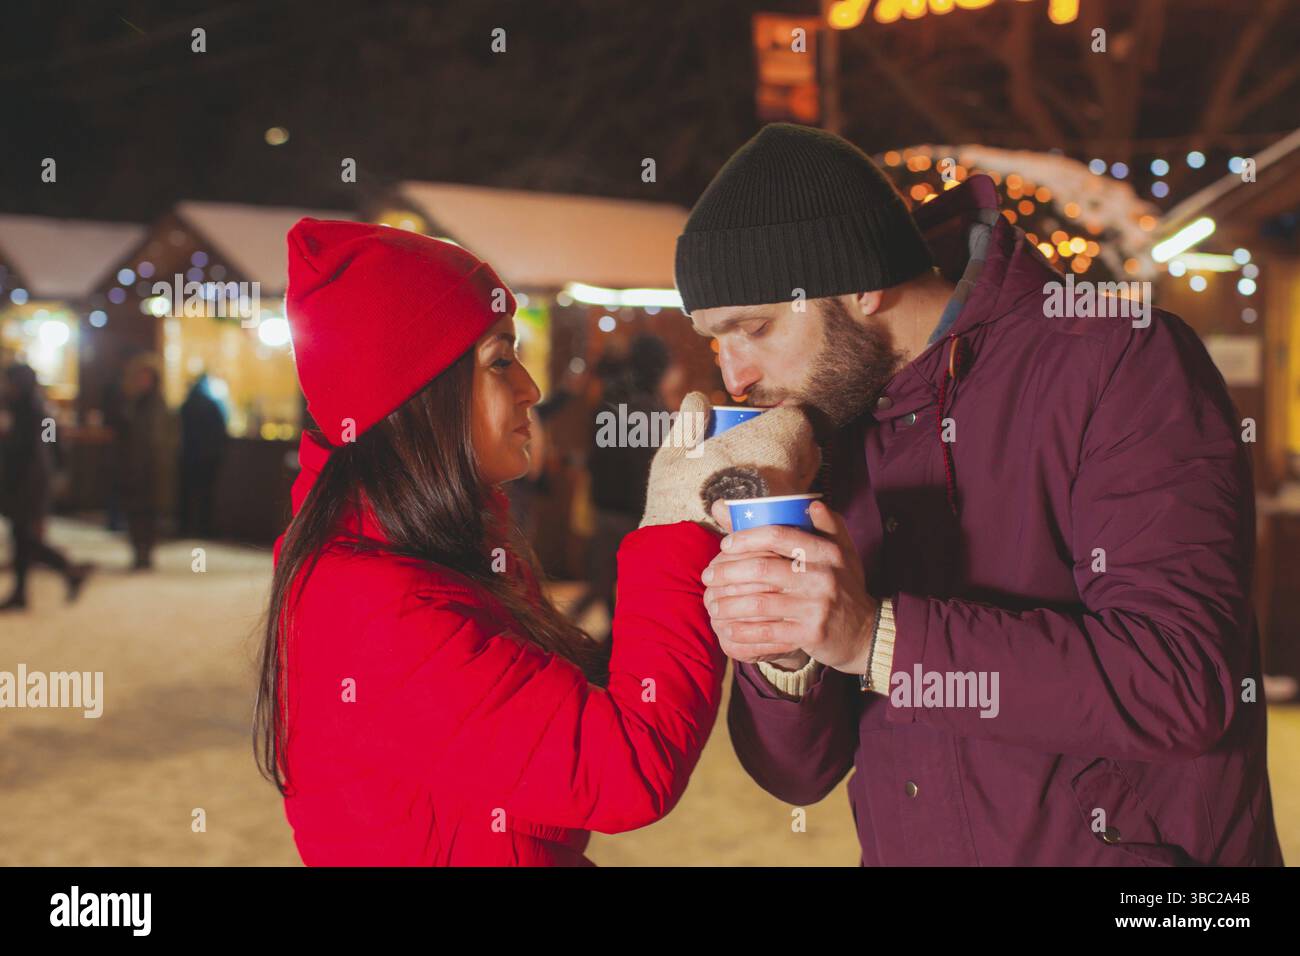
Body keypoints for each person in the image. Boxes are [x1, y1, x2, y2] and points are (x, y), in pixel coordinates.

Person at [678, 123, 1283, 866]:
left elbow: (1180, 684)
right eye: (716, 341)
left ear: (861, 281)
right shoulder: (829, 428)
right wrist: (782, 650)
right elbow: (799, 777)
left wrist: (875, 638)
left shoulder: (1118, 360)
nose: (734, 376)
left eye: (755, 329)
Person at [255, 219, 819, 866]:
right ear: (418, 396)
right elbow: (623, 768)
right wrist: (675, 524)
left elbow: (555, 728)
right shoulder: (376, 605)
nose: (531, 388)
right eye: (500, 360)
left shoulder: (419, 556)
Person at [569, 334, 673, 640]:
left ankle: (604, 634)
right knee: (631, 580)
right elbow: (655, 466)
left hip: (607, 504)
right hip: (635, 510)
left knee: (606, 576)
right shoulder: (652, 408)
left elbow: (597, 454)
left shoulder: (612, 401)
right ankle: (615, 637)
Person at [0, 363, 93, 611]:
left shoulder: (33, 411)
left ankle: (68, 569)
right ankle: (22, 592)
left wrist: (55, 473)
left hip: (29, 482)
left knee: (25, 537)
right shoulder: (26, 409)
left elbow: (48, 445)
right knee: (21, 538)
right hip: (24, 480)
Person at [115, 355, 177, 570]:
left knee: (147, 514)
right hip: (132, 467)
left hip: (151, 470)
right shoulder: (131, 403)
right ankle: (138, 552)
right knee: (134, 514)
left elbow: (163, 440)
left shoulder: (157, 405)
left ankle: (145, 554)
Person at [176, 373, 228, 538]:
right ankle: (204, 528)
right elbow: (221, 429)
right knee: (206, 494)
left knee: (186, 494)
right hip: (208, 456)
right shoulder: (212, 405)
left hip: (189, 455)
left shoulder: (186, 405)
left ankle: (184, 527)